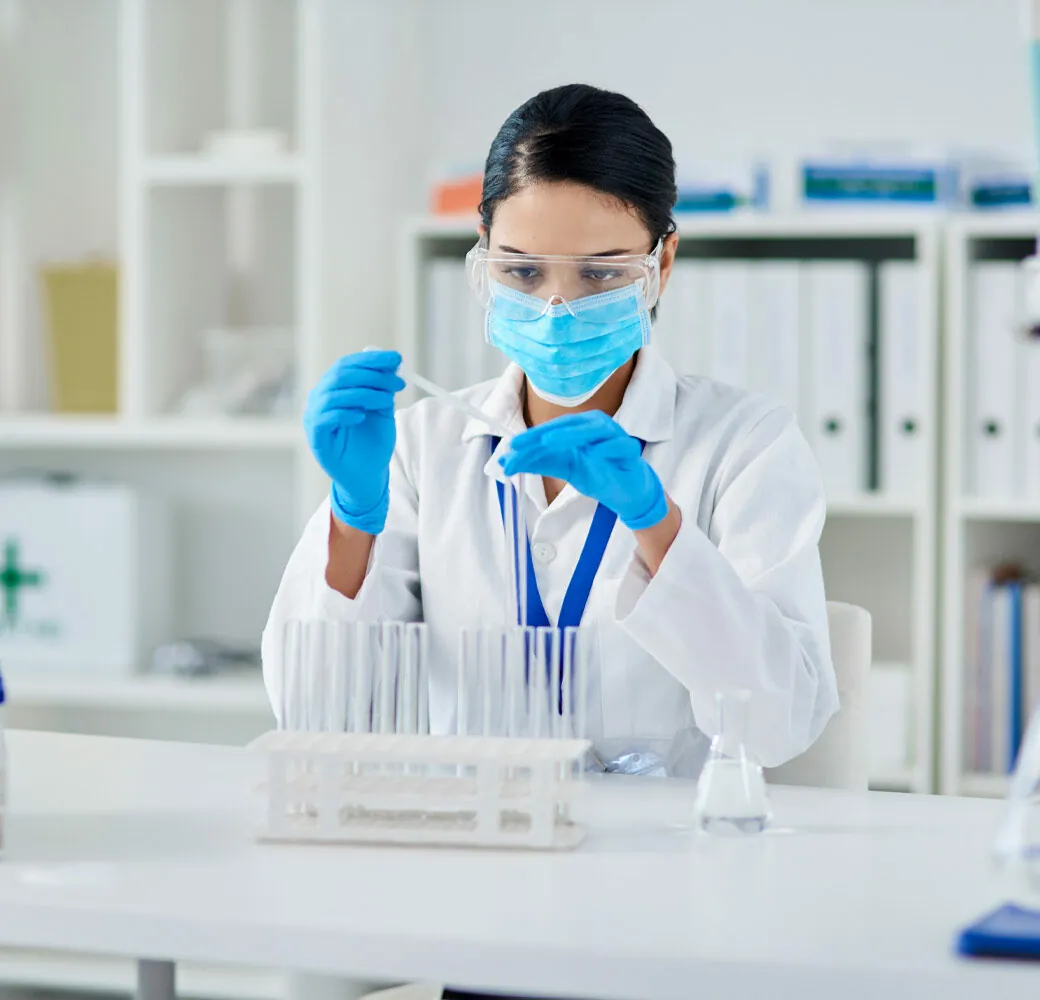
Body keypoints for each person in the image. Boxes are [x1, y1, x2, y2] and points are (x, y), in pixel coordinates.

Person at [262, 83, 838, 774]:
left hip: (667, 860)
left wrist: (657, 525)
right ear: (483, 255)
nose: (557, 307)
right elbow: (315, 715)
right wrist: (355, 516)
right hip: (474, 847)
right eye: (524, 270)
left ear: (663, 262)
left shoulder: (746, 446)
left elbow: (779, 724)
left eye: (599, 274)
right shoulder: (420, 447)